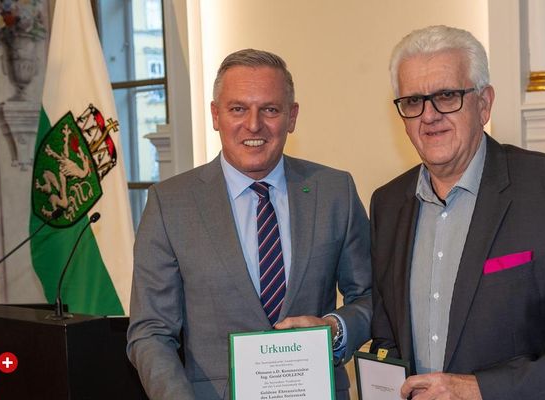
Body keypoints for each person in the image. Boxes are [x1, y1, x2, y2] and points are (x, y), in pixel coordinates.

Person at [370, 25, 545, 400]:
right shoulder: (387, 204)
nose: (429, 115)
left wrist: (481, 389)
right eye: (413, 101)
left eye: (447, 96)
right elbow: (388, 339)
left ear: (484, 104)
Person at [127, 48, 372, 400]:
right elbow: (150, 333)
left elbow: (370, 297)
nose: (254, 125)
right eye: (238, 109)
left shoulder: (335, 192)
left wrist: (334, 328)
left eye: (270, 109)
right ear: (216, 115)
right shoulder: (170, 204)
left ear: (292, 117)